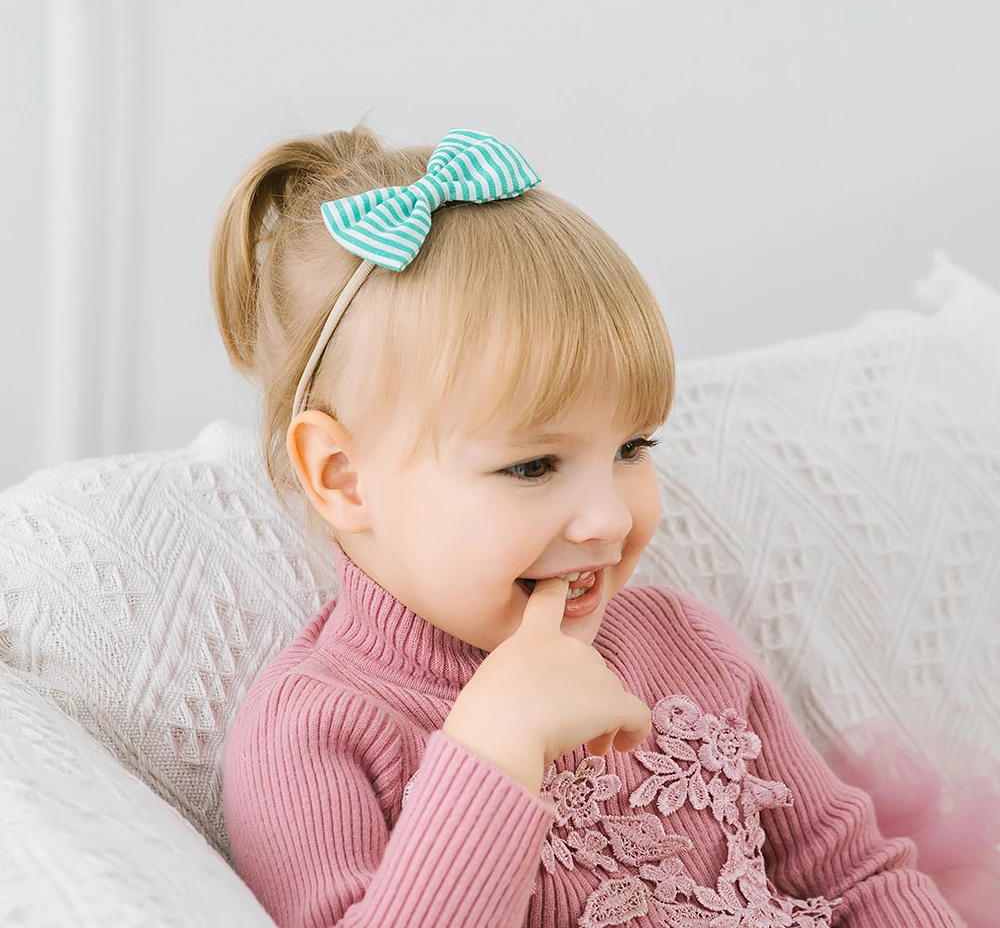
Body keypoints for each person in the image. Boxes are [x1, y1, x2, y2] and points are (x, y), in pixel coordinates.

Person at [214, 125, 967, 927]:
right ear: (343, 475)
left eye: (632, 448)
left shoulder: (685, 644)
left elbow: (855, 877)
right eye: (533, 466)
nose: (611, 516)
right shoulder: (315, 730)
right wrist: (493, 750)